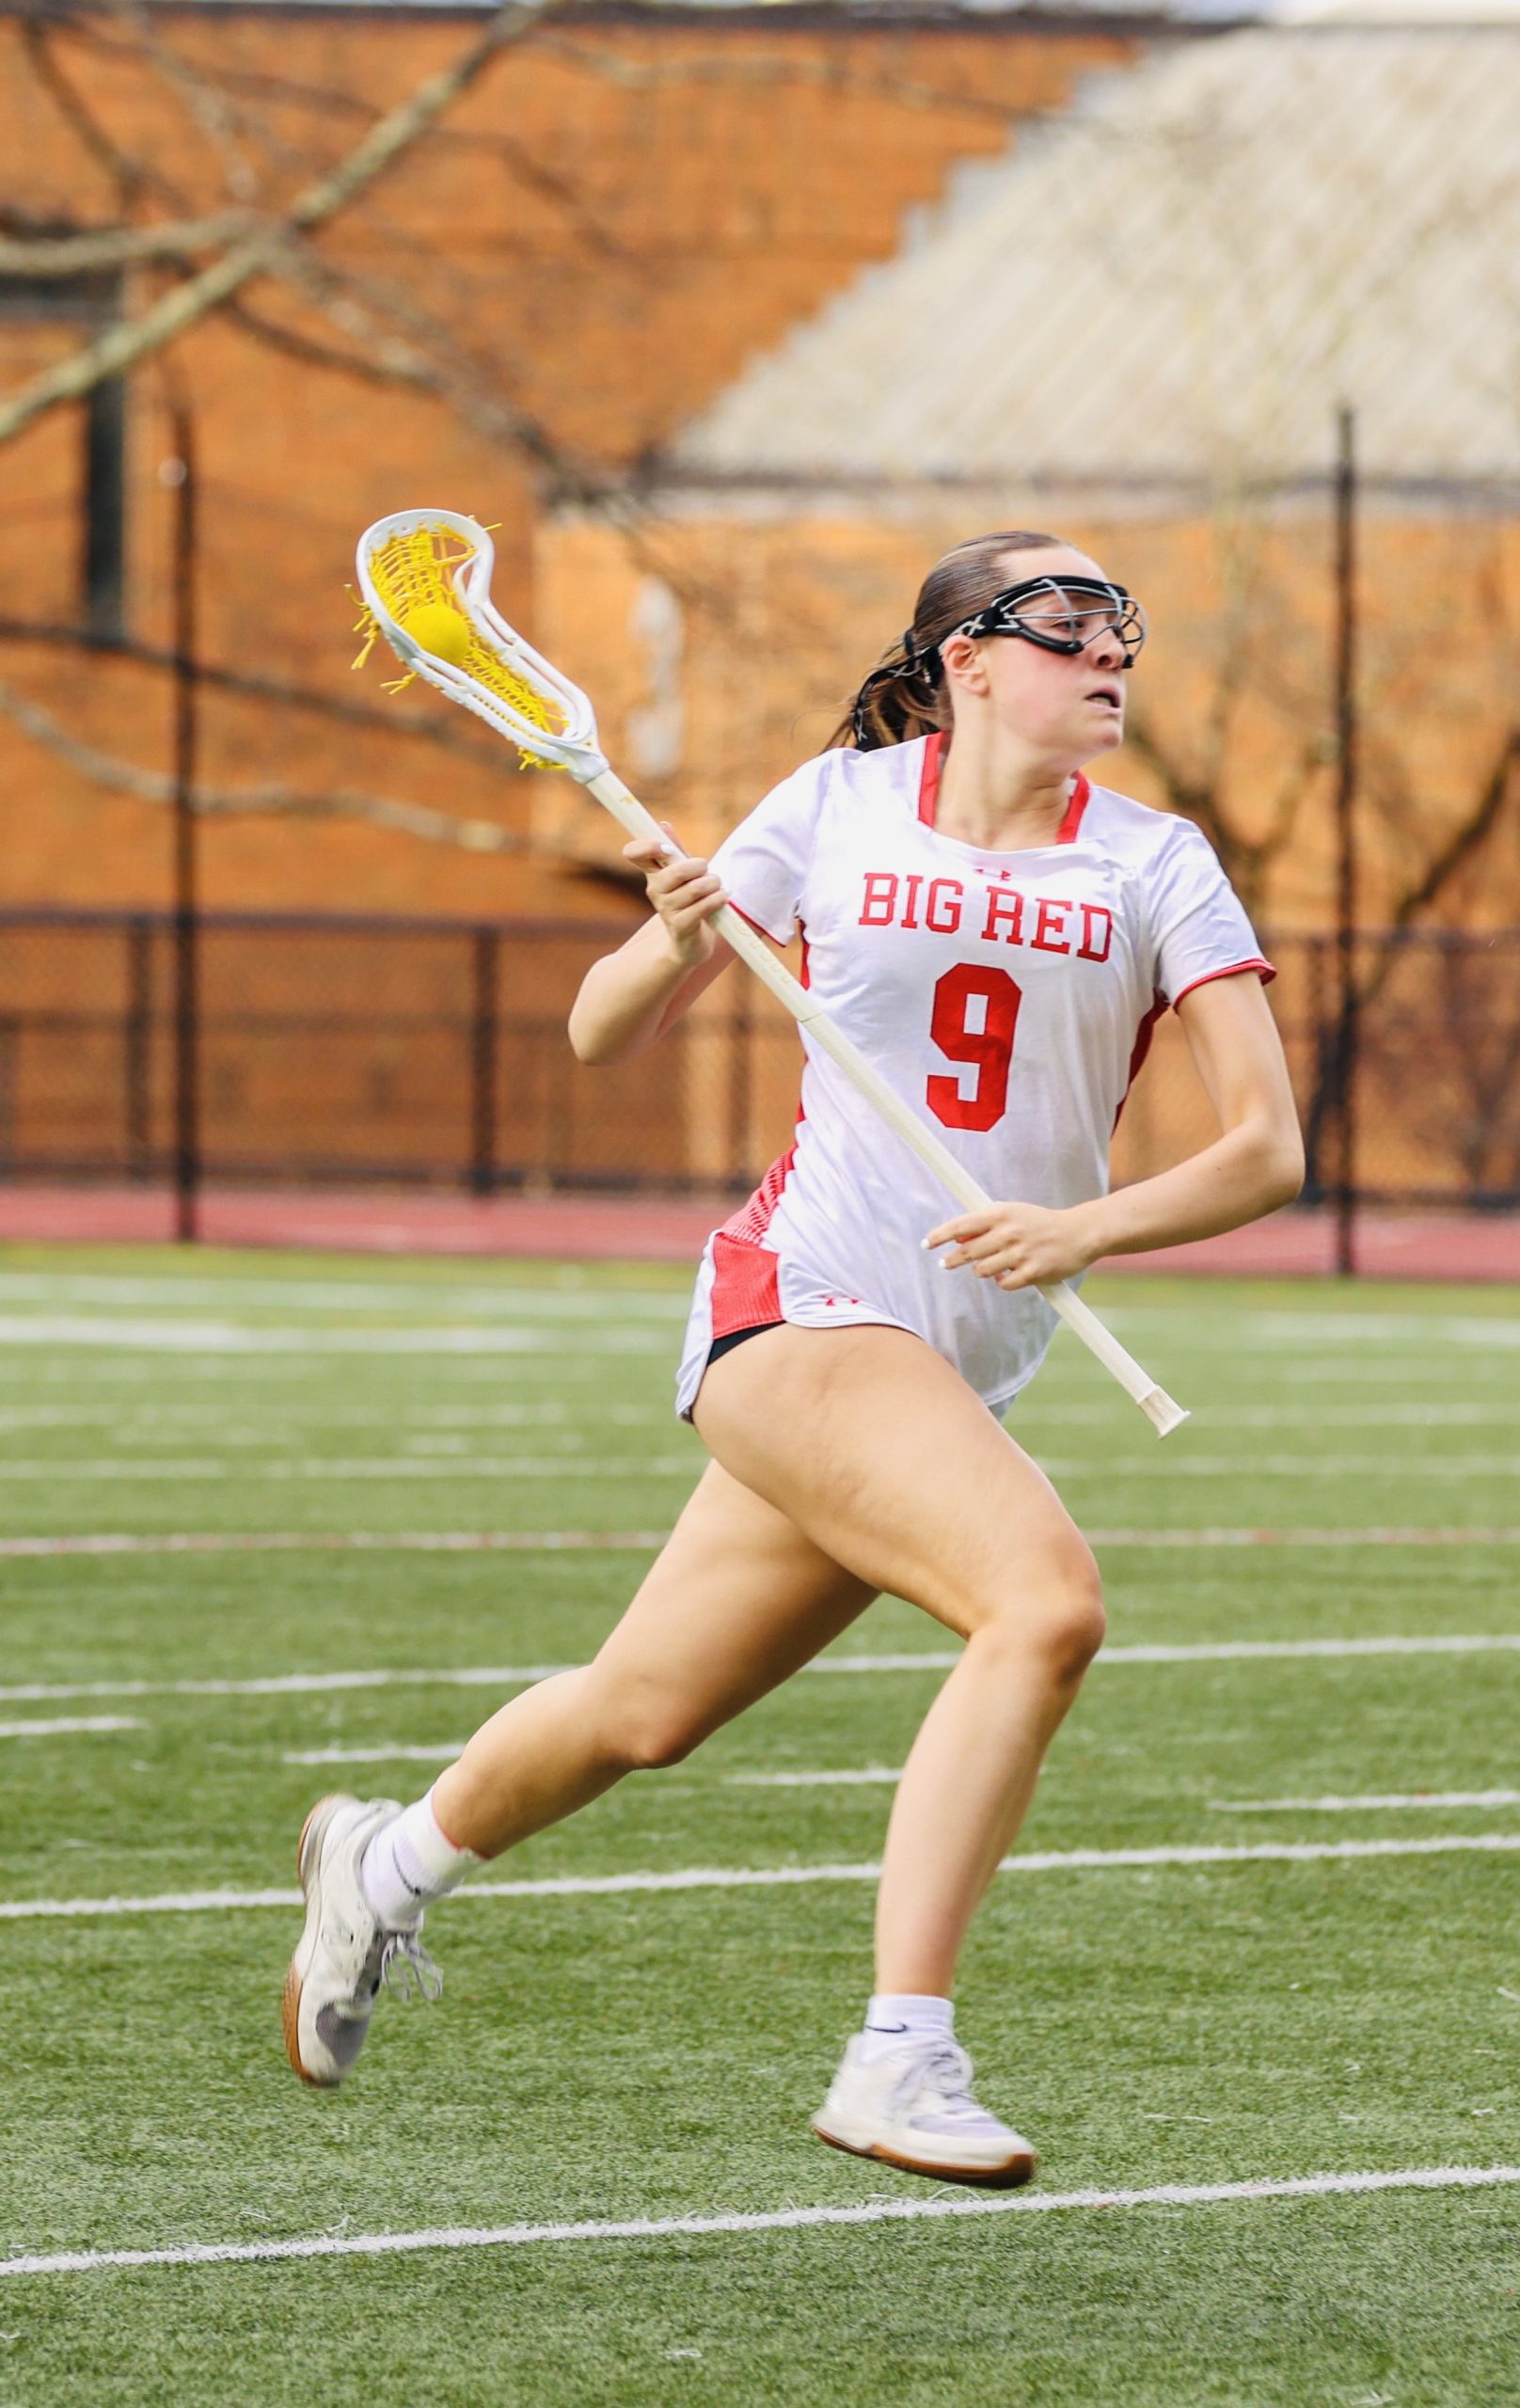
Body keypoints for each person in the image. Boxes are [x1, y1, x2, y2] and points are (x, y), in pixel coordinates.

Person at [282, 530, 1304, 2187]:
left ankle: (383, 1867)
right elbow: (601, 1031)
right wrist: (672, 935)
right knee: (1044, 1605)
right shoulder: (835, 805)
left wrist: (1083, 1229)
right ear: (969, 659)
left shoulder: (1155, 863)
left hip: (953, 1358)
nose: (1111, 650)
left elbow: (1267, 1151)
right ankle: (901, 2053)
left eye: (1123, 624)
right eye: (1068, 623)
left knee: (640, 1711)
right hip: (802, 1301)